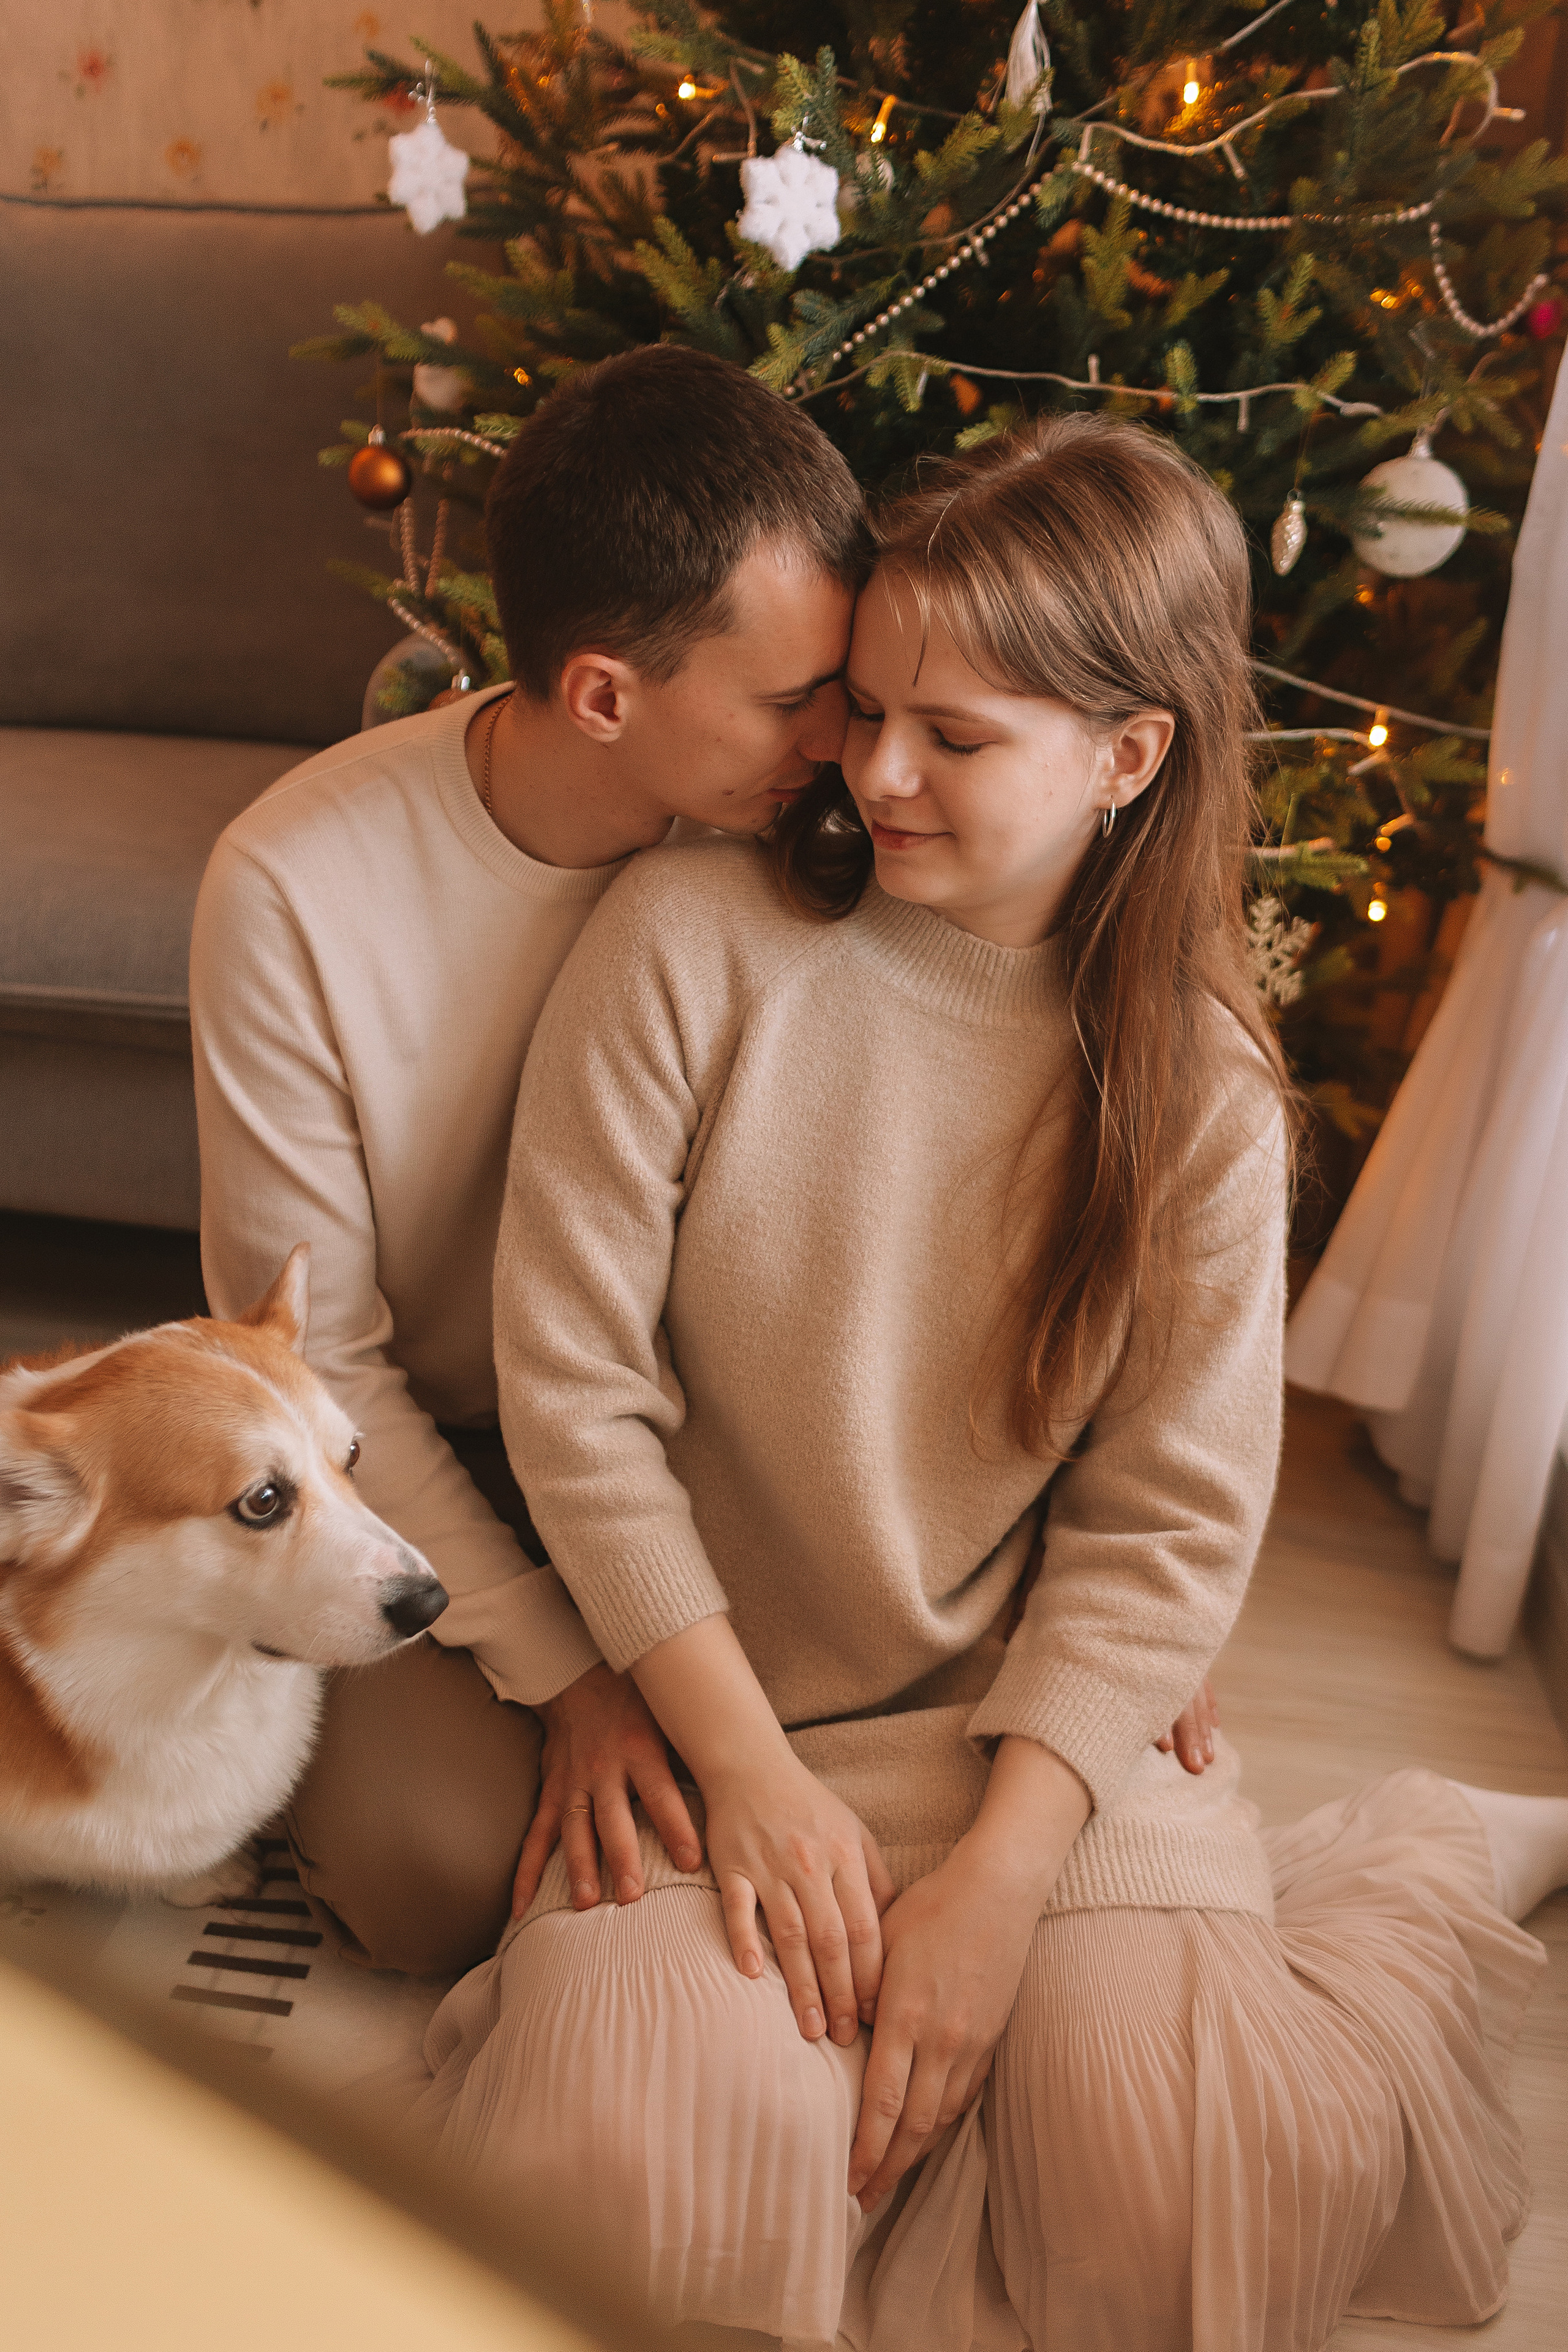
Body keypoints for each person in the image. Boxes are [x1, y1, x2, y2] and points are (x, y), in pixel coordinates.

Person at [405, 414, 1568, 2350]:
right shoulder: (690, 943)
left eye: (952, 737)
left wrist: (1011, 1878)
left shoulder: (1201, 1084)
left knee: (1183, 2212)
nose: (871, 772)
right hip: (726, 1715)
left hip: (1044, 1753)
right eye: (865, 710)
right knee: (635, 2202)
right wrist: (748, 1775)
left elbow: (1167, 1518)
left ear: (1129, 757)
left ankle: (1421, 1855)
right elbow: (578, 1400)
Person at [189, 345, 867, 1973]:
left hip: (692, 1450)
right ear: (605, 696)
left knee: (816, 1787)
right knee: (445, 1875)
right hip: (411, 1459)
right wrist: (568, 1675)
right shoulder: (292, 886)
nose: (846, 734)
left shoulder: (812, 836)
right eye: (792, 698)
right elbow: (322, 1359)